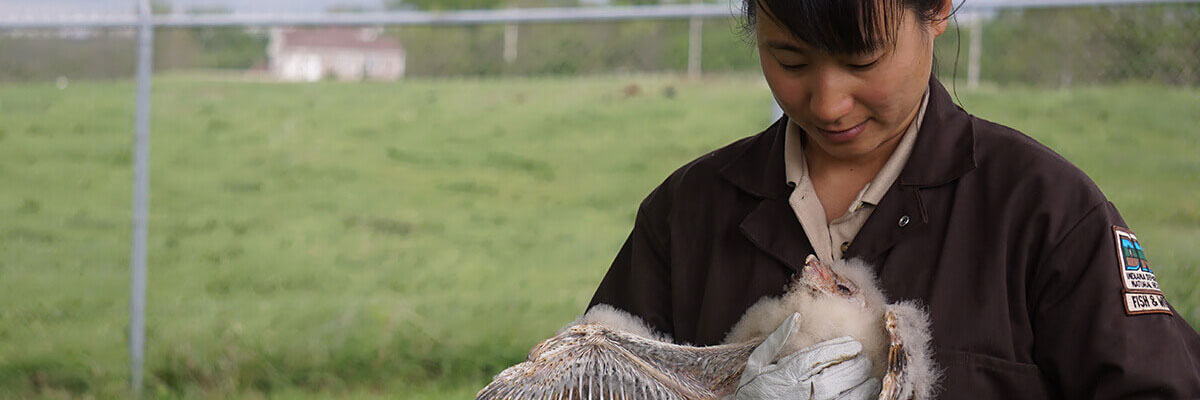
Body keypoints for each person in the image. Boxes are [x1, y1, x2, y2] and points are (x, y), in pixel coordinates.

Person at [586, 0, 1200, 397]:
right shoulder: (686, 214)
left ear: (937, 10)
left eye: (862, 59)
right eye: (790, 60)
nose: (829, 104)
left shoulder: (1047, 213)